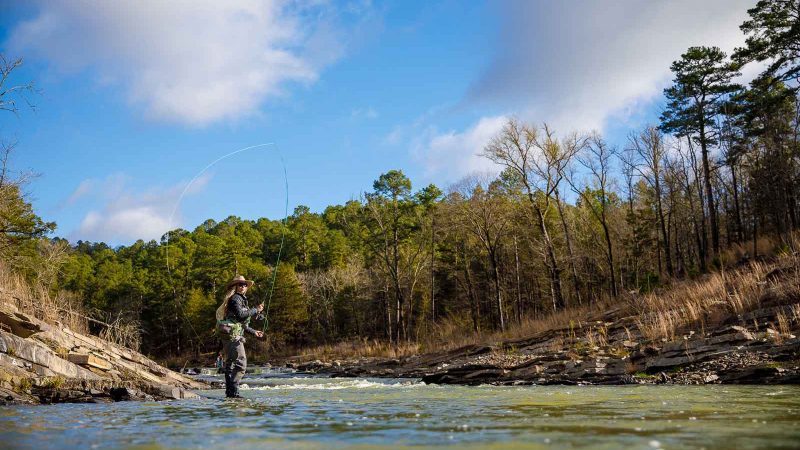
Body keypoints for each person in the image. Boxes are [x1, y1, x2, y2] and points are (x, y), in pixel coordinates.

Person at [216, 275, 264, 398]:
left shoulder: (240, 299)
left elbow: (242, 323)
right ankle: (234, 392)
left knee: (231, 364)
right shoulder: (235, 299)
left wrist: (254, 332)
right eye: (240, 284)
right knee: (241, 363)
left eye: (245, 285)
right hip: (232, 335)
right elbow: (242, 315)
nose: (243, 286)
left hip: (231, 333)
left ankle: (230, 393)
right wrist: (255, 309)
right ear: (235, 286)